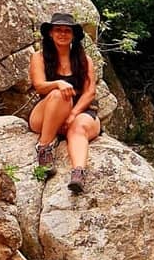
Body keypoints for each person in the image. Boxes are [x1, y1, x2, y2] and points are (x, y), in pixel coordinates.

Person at [28, 12, 101, 193]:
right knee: (59, 94)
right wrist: (58, 83)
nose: (62, 34)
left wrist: (73, 114)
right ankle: (44, 149)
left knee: (79, 128)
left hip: (80, 112)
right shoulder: (39, 57)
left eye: (67, 31)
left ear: (73, 35)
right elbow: (39, 86)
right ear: (50, 33)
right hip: (47, 114)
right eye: (58, 30)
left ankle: (78, 174)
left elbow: (90, 92)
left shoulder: (85, 60)